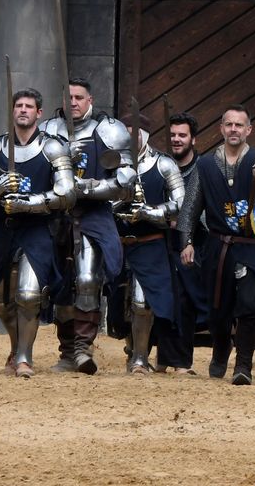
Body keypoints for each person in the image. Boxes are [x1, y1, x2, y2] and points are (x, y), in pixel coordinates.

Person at [178, 105, 255, 385]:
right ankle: (221, 348)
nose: (233, 130)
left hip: (251, 246)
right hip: (218, 246)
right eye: (228, 124)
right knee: (218, 311)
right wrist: (187, 241)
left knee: (248, 305)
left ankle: (243, 365)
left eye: (239, 125)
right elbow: (190, 208)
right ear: (221, 128)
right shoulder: (205, 165)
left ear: (248, 130)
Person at [0, 88, 76, 378]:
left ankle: (25, 358)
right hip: (2, 229)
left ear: (39, 113)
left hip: (37, 229)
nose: (23, 110)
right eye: (18, 106)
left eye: (28, 106)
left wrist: (28, 203)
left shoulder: (53, 148)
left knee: (28, 294)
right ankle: (16, 347)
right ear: (12, 111)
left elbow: (67, 194)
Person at [39, 78, 134, 374]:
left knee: (87, 280)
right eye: (69, 98)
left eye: (79, 97)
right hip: (57, 217)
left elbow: (126, 181)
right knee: (60, 285)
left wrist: (86, 187)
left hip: (93, 215)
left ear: (90, 100)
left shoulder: (109, 130)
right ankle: (67, 351)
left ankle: (83, 348)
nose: (73, 103)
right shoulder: (47, 131)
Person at [112, 118, 184, 375]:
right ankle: (130, 348)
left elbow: (181, 203)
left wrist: (149, 212)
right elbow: (100, 198)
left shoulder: (163, 164)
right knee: (117, 303)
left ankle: (141, 358)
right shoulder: (111, 163)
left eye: (134, 134)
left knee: (143, 303)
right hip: (118, 243)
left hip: (150, 243)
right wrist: (118, 204)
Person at [156, 112, 208, 375]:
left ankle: (180, 361)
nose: (177, 139)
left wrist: (187, 225)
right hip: (161, 240)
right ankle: (159, 357)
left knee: (186, 301)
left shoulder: (204, 169)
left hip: (195, 244)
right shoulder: (159, 167)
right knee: (164, 298)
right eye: (173, 135)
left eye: (182, 135)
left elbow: (207, 207)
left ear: (193, 139)